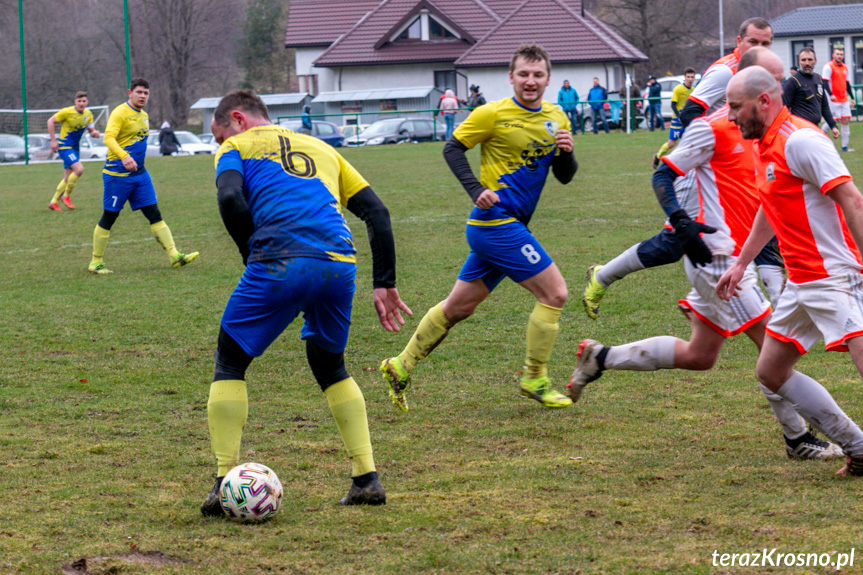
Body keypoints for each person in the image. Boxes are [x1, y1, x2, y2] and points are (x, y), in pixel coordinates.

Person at [569, 52, 843, 462]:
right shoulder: (714, 128)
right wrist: (681, 223)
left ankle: (602, 357)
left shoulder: (767, 134)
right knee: (773, 351)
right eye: (772, 79)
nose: (779, 89)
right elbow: (663, 172)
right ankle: (802, 437)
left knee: (700, 355)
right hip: (717, 257)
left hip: (734, 258)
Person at [200, 90, 412, 514]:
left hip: (279, 260)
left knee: (230, 361)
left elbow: (229, 198)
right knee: (331, 365)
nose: (219, 144)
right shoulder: (322, 148)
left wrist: (250, 252)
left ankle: (224, 482)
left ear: (237, 120)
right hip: (339, 263)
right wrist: (384, 281)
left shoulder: (237, 148)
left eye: (218, 135)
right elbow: (377, 213)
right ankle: (367, 479)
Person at [380, 44, 577, 411]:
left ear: (548, 79)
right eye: (523, 74)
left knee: (458, 307)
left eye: (537, 75)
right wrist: (476, 189)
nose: (530, 81)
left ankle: (400, 365)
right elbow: (452, 148)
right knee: (555, 294)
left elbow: (564, 176)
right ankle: (535, 377)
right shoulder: (493, 114)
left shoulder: (557, 116)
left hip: (508, 227)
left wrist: (566, 152)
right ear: (511, 77)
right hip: (494, 224)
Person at [716, 65, 863, 476]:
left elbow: (853, 200)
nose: (730, 117)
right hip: (801, 280)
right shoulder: (766, 144)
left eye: (735, 108)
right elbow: (772, 205)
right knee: (771, 370)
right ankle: (858, 447)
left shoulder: (800, 140)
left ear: (764, 101)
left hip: (835, 275)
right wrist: (742, 261)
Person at [582, 19, 782, 320]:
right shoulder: (726, 72)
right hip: (706, 166)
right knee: (675, 242)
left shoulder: (759, 74)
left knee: (760, 219)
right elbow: (691, 111)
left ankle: (778, 310)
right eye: (754, 42)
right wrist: (706, 149)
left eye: (766, 43)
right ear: (738, 42)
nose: (759, 49)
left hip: (736, 161)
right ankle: (602, 276)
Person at [88, 78, 198, 275]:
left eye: (146, 93)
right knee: (110, 216)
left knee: (154, 213)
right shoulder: (120, 112)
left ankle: (174, 256)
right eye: (139, 92)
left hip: (140, 175)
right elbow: (108, 138)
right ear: (129, 92)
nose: (142, 96)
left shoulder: (144, 115)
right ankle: (96, 262)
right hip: (117, 175)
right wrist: (124, 156)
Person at [47, 91, 100, 211]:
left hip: (75, 148)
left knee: (67, 178)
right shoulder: (67, 112)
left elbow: (91, 130)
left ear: (87, 102)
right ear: (75, 102)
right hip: (65, 146)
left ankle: (53, 202)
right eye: (79, 101)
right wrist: (53, 141)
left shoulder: (88, 114)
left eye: (84, 101)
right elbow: (50, 121)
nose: (82, 103)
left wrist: (94, 133)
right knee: (79, 169)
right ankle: (66, 196)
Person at [783, 47, 839, 139]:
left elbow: (824, 106)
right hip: (799, 130)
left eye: (810, 59)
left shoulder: (818, 79)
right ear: (798, 62)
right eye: (803, 60)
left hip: (815, 128)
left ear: (815, 61)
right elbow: (783, 108)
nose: (807, 63)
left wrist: (833, 126)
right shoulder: (793, 81)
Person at [652, 68, 696, 168]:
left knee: (689, 142)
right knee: (671, 143)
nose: (690, 79)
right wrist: (679, 116)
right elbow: (673, 105)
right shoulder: (678, 89)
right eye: (688, 77)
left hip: (687, 121)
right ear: (685, 77)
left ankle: (684, 164)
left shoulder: (693, 90)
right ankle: (658, 156)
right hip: (677, 120)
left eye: (692, 77)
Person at [822, 46, 855, 152]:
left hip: (844, 99)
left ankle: (844, 147)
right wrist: (830, 94)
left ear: (843, 56)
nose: (839, 56)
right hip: (833, 99)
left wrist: (852, 98)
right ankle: (820, 134)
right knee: (832, 121)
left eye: (841, 54)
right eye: (837, 54)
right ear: (833, 55)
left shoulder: (845, 68)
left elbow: (847, 83)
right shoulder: (828, 66)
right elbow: (825, 81)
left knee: (845, 120)